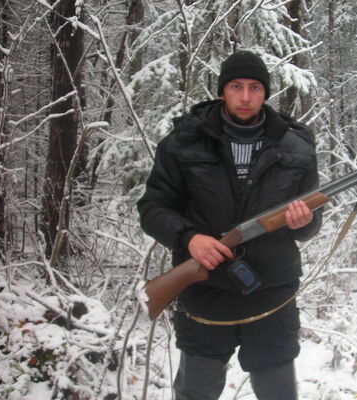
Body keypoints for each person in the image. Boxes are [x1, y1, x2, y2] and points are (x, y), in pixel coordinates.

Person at [137, 50, 322, 400]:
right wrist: (190, 239)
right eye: (236, 86)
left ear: (266, 93)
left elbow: (311, 226)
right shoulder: (184, 142)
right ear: (222, 90)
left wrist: (303, 222)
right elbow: (152, 208)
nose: (246, 96)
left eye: (255, 87)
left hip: (272, 295)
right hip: (205, 294)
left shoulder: (297, 146)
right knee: (195, 393)